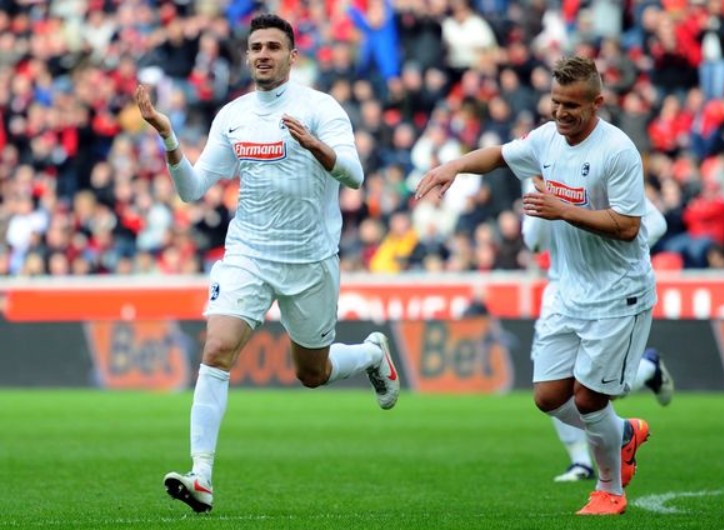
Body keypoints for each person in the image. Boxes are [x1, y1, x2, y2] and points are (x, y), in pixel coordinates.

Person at [135, 13, 400, 513]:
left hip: (310, 261)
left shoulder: (322, 109)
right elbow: (192, 192)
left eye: (273, 47)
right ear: (247, 54)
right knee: (216, 349)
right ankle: (202, 475)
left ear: (292, 56)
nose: (263, 54)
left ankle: (369, 355)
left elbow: (357, 177)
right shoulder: (232, 116)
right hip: (248, 256)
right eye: (256, 46)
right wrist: (169, 138)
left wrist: (320, 150)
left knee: (313, 374)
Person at [416, 56, 656, 516]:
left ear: (597, 103)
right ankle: (621, 434)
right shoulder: (547, 139)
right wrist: (454, 166)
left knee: (588, 399)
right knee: (549, 397)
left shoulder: (618, 151)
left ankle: (609, 490)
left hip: (617, 293)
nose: (561, 113)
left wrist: (561, 210)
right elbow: (500, 156)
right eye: (556, 102)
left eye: (572, 106)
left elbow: (627, 226)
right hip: (569, 291)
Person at [523, 191, 675, 483]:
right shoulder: (542, 171)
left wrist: (619, 259)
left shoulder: (604, 171)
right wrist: (542, 198)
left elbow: (655, 223)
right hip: (560, 291)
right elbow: (535, 242)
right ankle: (580, 461)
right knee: (551, 387)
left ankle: (647, 371)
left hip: (607, 292)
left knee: (596, 389)